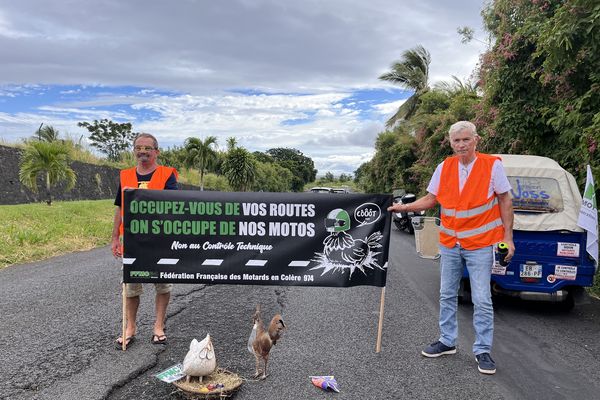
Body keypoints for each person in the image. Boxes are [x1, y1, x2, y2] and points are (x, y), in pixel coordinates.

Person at [388, 121, 514, 375]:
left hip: (479, 244)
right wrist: (402, 207)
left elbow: (505, 199)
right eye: (456, 141)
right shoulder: (444, 167)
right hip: (450, 243)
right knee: (446, 294)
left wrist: (508, 238)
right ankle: (447, 341)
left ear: (476, 140)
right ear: (451, 142)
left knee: (481, 298)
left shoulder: (492, 165)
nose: (461, 145)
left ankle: (482, 350)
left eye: (466, 139)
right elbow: (431, 199)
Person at [111, 133, 178, 348]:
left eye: (148, 148)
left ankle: (158, 326)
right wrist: (115, 237)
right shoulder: (125, 176)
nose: (143, 152)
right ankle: (130, 328)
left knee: (162, 285)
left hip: (160, 241)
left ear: (156, 152)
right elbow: (120, 208)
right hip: (133, 242)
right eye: (138, 147)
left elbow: (173, 206)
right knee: (131, 288)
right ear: (134, 151)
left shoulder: (167, 175)